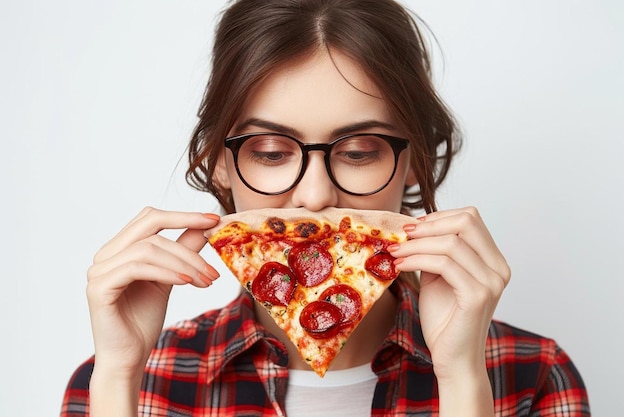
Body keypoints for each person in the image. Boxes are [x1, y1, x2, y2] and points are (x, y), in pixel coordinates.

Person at [61, 0, 590, 416]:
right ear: (216, 162)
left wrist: (463, 379)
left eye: (359, 152)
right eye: (270, 152)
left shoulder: (535, 376)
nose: (315, 197)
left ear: (414, 164)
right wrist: (118, 378)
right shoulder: (120, 380)